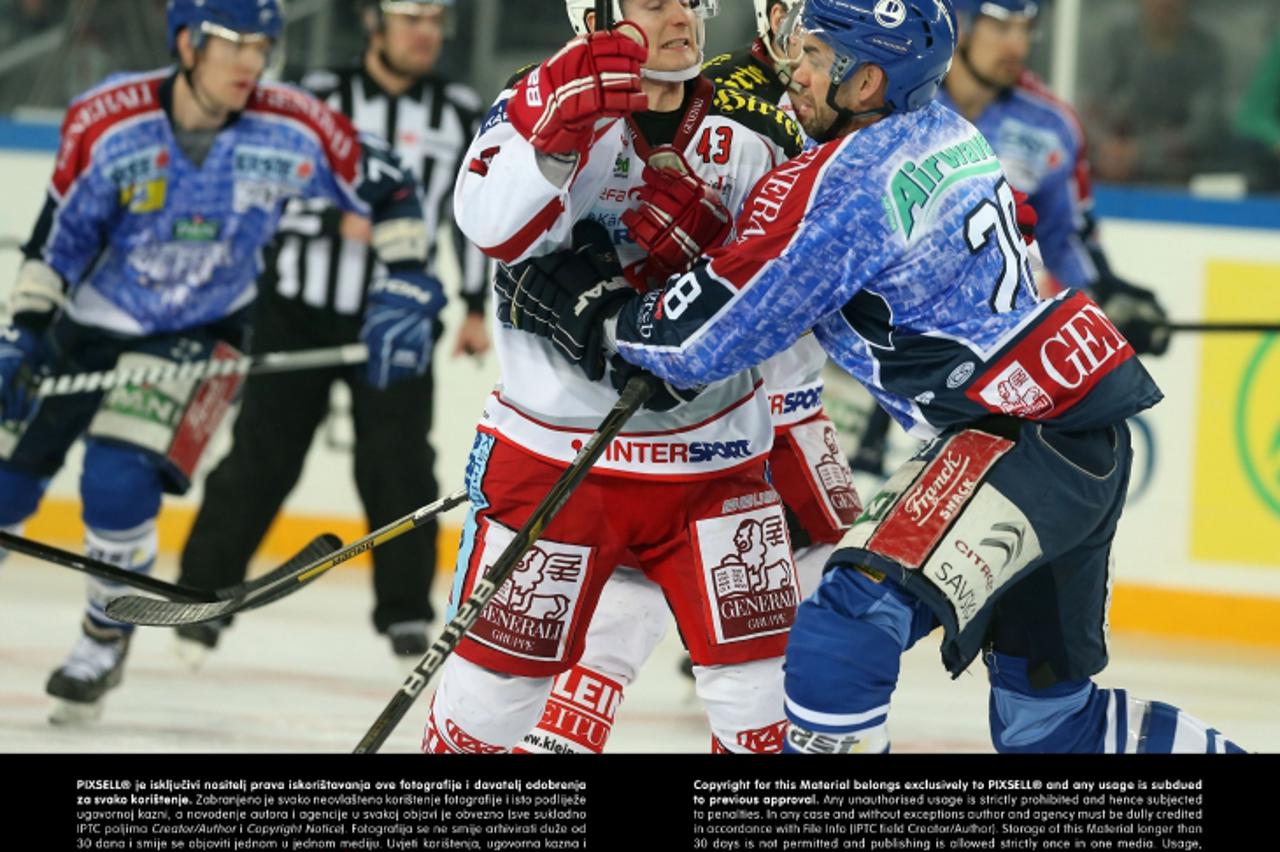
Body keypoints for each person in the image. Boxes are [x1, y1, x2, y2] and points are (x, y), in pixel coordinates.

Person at [498, 0, 1245, 754]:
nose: (795, 67)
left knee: (846, 627)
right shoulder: (945, 129)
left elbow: (702, 340)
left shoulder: (842, 182)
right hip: (1081, 429)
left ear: (866, 84)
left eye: (817, 55)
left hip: (1012, 438)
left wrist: (593, 313)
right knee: (1051, 728)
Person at [0, 0, 442, 724]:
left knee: (117, 480)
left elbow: (390, 187)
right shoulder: (106, 120)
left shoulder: (293, 123)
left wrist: (406, 275)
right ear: (186, 41)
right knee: (6, 492)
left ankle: (101, 639)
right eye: (233, 43)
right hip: (81, 326)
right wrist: (23, 332)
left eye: (263, 45)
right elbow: (57, 242)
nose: (251, 61)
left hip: (201, 332)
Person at [430, 0, 810, 755]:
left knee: (768, 714)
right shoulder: (536, 103)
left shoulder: (762, 132)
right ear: (594, 12)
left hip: (718, 463)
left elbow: (798, 296)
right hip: (559, 462)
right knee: (489, 709)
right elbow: (493, 231)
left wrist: (707, 293)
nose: (681, 15)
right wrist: (550, 147)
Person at [514, 0, 867, 755]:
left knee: (800, 612)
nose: (817, 56)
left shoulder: (825, 106)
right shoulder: (735, 106)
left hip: (773, 404)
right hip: (739, 406)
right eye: (807, 33)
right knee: (788, 615)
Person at [172, 0, 489, 667]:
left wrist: (472, 305)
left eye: (436, 21)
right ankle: (201, 601)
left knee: (399, 465)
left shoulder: (461, 109)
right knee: (262, 457)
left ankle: (405, 615)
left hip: (397, 318)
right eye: (412, 19)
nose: (426, 33)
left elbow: (473, 213)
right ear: (375, 24)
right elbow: (257, 187)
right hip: (299, 309)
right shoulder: (316, 98)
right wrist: (324, 227)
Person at [1080, 0, 1227, 186]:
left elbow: (1204, 126)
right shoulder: (1119, 41)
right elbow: (1091, 106)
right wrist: (1106, 145)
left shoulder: (1205, 50)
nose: (1164, 3)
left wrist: (1142, 151)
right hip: (1112, 173)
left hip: (1179, 177)